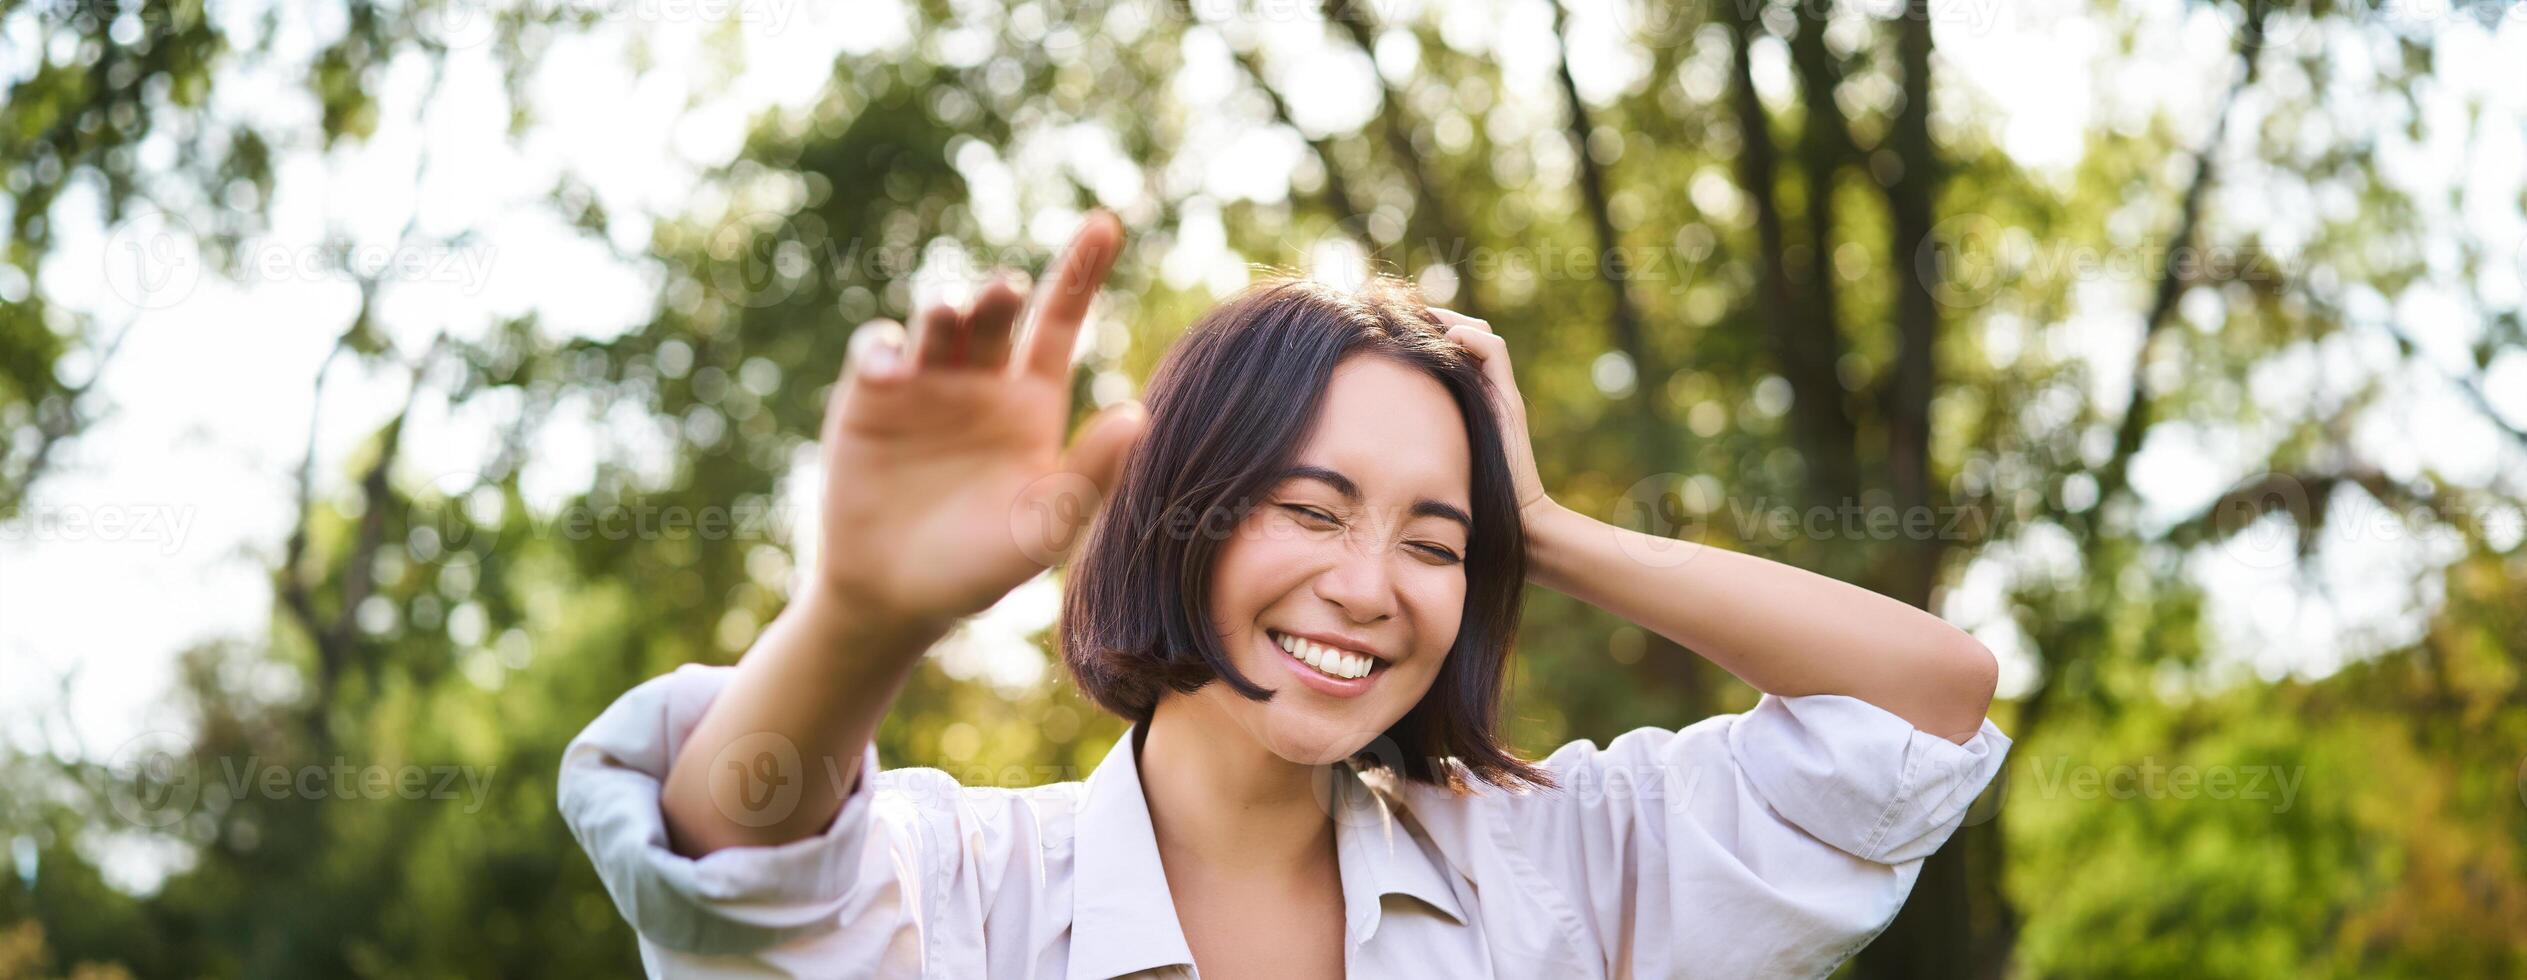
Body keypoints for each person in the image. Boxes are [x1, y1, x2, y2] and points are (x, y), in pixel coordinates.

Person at [558, 212, 2010, 978]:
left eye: (1434, 543)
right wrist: (862, 621)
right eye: (1310, 512)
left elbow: (1920, 705)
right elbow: (726, 873)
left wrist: (1541, 526)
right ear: (1179, 513)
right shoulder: (965, 889)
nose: (1369, 587)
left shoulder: (1552, 874)